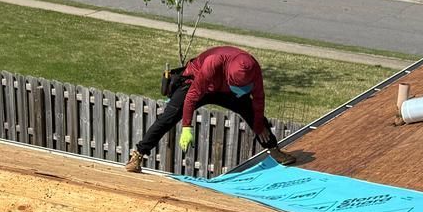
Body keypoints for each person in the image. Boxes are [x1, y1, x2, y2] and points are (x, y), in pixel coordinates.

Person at [123, 46, 297, 172]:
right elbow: (192, 97)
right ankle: (138, 154)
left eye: (246, 87)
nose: (244, 90)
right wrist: (186, 127)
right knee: (168, 117)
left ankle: (275, 151)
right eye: (239, 86)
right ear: (229, 76)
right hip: (199, 84)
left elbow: (259, 100)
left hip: (226, 90)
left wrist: (258, 124)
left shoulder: (253, 69)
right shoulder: (212, 64)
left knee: (253, 113)